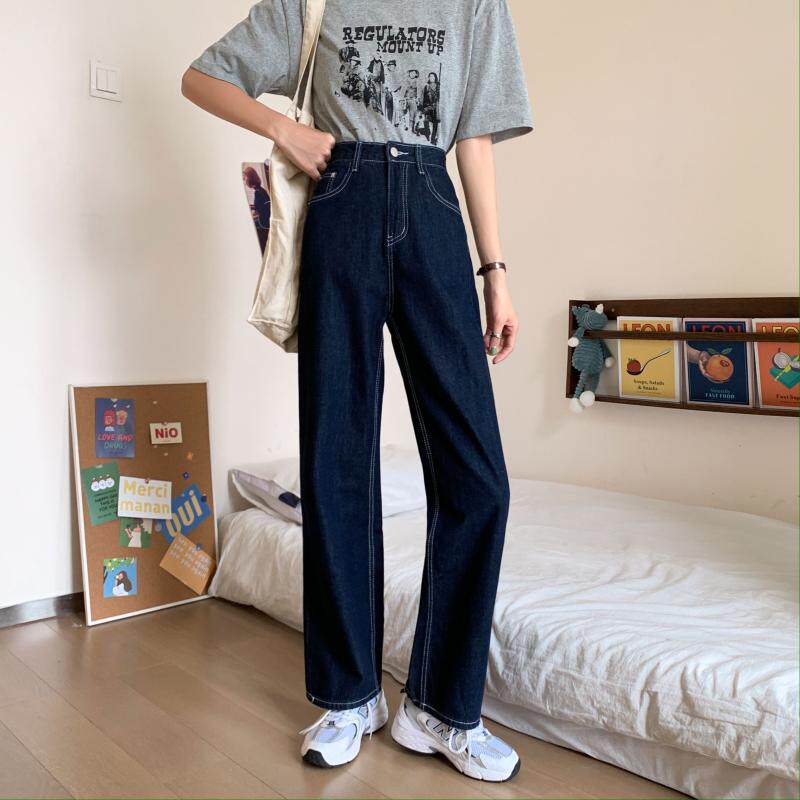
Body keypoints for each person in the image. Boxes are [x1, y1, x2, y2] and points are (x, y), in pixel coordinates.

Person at [182, 0, 533, 783]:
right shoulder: (312, 2)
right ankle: (349, 696)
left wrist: (495, 274)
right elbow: (201, 78)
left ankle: (440, 709)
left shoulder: (475, 5)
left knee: (477, 478)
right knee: (338, 462)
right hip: (341, 208)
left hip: (435, 210)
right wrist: (284, 130)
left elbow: (473, 141)